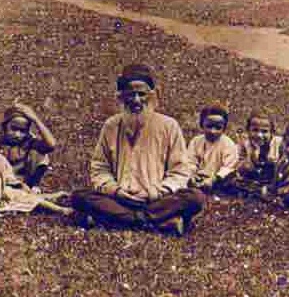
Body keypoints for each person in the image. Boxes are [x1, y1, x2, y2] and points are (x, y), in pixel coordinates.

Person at [70, 64, 204, 235]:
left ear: (152, 96)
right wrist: (115, 190)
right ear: (121, 97)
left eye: (141, 94)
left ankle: (119, 220)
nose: (136, 100)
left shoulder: (169, 126)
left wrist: (156, 192)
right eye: (130, 94)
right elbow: (100, 168)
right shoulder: (111, 125)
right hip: (120, 199)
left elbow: (180, 171)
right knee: (79, 197)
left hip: (157, 200)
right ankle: (156, 222)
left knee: (195, 198)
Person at [0, 103, 56, 190]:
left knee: (39, 153)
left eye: (22, 131)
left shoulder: (28, 143)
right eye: (13, 129)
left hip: (23, 185)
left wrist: (35, 120)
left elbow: (51, 145)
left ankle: (33, 186)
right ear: (5, 126)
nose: (17, 134)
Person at [186, 103, 238, 191]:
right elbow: (190, 162)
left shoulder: (228, 144)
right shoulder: (196, 142)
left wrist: (214, 179)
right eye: (209, 126)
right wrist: (192, 175)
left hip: (219, 183)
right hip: (198, 180)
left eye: (218, 128)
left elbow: (229, 167)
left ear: (224, 128)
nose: (213, 131)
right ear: (202, 125)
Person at [235, 110, 282, 196]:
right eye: (255, 130)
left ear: (272, 132)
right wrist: (246, 162)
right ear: (248, 130)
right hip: (253, 178)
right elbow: (237, 163)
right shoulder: (245, 144)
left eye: (264, 131)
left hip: (275, 179)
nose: (259, 135)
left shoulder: (279, 144)